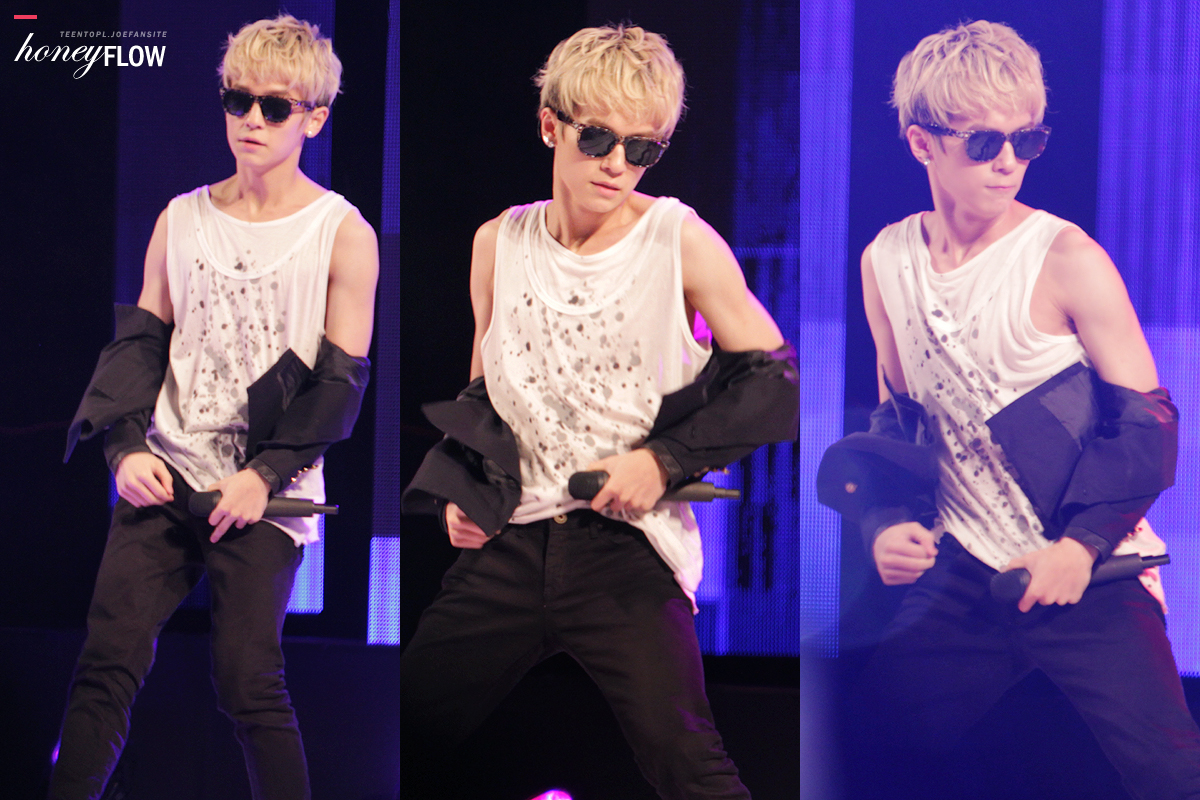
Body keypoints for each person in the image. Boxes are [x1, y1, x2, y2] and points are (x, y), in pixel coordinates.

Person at [399, 24, 799, 800]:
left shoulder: (678, 240)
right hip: (515, 543)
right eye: (597, 138)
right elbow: (484, 397)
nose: (617, 163)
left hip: (627, 548)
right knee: (405, 729)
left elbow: (776, 383)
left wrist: (661, 463)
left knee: (686, 761)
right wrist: (466, 494)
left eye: (641, 148)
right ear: (550, 125)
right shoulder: (497, 242)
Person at [818, 19, 1200, 799]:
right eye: (984, 142)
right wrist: (884, 521)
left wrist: (1079, 549)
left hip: (1090, 567)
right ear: (922, 143)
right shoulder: (885, 260)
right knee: (871, 746)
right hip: (968, 569)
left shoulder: (1068, 258)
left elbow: (1149, 423)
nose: (1008, 162)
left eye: (1027, 141)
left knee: (1168, 770)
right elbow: (899, 422)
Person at [52, 15, 378, 800]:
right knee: (106, 664)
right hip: (167, 470)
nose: (252, 120)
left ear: (313, 118)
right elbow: (140, 345)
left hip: (267, 491)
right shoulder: (181, 218)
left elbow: (340, 384)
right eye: (239, 100)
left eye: (275, 106)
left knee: (247, 681)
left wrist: (263, 476)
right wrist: (125, 448)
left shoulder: (341, 233)